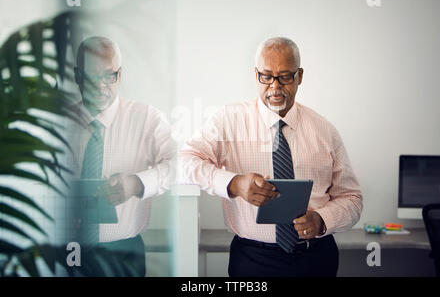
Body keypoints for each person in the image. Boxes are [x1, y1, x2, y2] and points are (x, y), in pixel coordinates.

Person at [179, 37, 363, 277]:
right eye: (266, 76)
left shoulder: (325, 131)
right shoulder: (228, 120)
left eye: (285, 77)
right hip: (253, 260)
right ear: (256, 75)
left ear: (300, 76)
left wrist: (321, 220)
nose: (275, 87)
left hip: (316, 258)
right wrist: (234, 183)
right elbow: (184, 162)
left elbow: (352, 198)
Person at [67, 36, 176, 276]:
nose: (101, 86)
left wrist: (137, 183)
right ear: (77, 76)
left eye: (110, 76)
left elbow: (177, 165)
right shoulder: (58, 123)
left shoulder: (147, 118)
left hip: (125, 253)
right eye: (92, 77)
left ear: (120, 75)